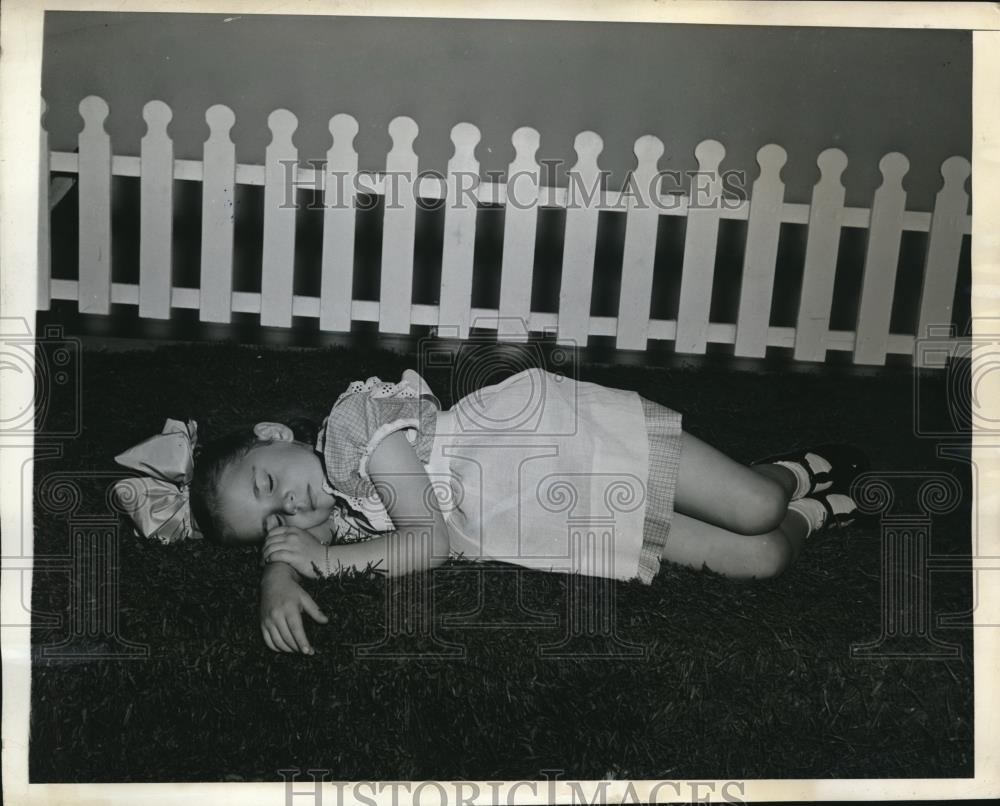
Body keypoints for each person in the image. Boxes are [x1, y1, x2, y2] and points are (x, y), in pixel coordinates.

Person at [122, 367, 869, 655]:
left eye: (268, 482)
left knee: (755, 505)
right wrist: (277, 577)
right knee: (762, 555)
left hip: (567, 447)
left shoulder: (354, 433)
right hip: (565, 518)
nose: (291, 503)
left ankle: (791, 471)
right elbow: (297, 548)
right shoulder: (341, 520)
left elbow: (432, 542)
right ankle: (822, 510)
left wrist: (320, 562)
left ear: (274, 437)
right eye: (275, 517)